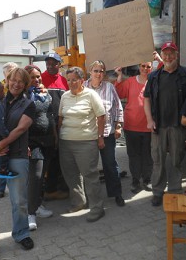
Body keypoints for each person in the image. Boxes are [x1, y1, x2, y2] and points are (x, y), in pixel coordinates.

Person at [0, 68, 35, 260]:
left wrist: (0, 145)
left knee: (19, 200)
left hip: (17, 155)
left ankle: (21, 234)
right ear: (7, 80)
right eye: (13, 80)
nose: (16, 84)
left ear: (26, 84)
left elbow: (21, 129)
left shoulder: (28, 104)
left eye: (21, 81)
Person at [143, 41, 186, 207]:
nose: (168, 56)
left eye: (171, 53)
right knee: (157, 160)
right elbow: (146, 99)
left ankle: (174, 192)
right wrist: (149, 120)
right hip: (158, 126)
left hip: (177, 126)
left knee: (175, 160)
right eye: (165, 53)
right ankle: (158, 192)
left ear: (176, 54)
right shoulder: (153, 76)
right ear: (162, 55)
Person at [58, 67, 106, 222]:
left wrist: (100, 137)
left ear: (81, 79)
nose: (71, 83)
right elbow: (60, 118)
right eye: (68, 80)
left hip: (86, 142)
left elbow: (101, 116)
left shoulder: (91, 95)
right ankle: (79, 202)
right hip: (66, 142)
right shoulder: (65, 96)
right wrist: (59, 136)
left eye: (74, 79)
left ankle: (97, 208)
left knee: (90, 175)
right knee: (71, 175)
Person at [84, 60, 125, 207]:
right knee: (89, 167)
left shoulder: (109, 87)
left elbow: (117, 107)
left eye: (101, 71)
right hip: (88, 134)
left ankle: (116, 194)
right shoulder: (83, 87)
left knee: (110, 164)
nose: (99, 74)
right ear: (90, 71)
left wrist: (118, 126)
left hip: (107, 132)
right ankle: (91, 197)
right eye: (96, 71)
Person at [114, 61, 154, 194]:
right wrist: (119, 76)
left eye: (148, 66)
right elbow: (118, 93)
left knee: (147, 155)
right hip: (131, 126)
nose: (145, 69)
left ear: (151, 67)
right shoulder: (131, 81)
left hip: (148, 126)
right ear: (139, 66)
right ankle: (136, 180)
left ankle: (147, 180)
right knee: (134, 155)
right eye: (143, 66)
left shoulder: (154, 82)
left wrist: (159, 59)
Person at [24, 64, 55, 231]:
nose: (36, 80)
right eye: (32, 77)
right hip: (33, 142)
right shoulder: (23, 95)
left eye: (38, 77)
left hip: (48, 141)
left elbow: (50, 115)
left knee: (42, 176)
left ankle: (38, 204)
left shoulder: (45, 93)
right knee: (35, 177)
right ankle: (30, 213)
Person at [41, 53, 69, 201]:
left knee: (60, 157)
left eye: (54, 63)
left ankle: (57, 186)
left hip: (62, 124)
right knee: (49, 158)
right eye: (48, 64)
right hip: (46, 126)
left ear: (60, 64)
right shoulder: (41, 78)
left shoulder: (64, 80)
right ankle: (49, 189)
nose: (50, 66)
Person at [0, 62, 18, 198]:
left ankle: (14, 186)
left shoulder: (20, 85)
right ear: (4, 75)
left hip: (16, 125)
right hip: (1, 126)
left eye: (14, 71)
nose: (12, 75)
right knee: (2, 157)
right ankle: (0, 188)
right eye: (9, 72)